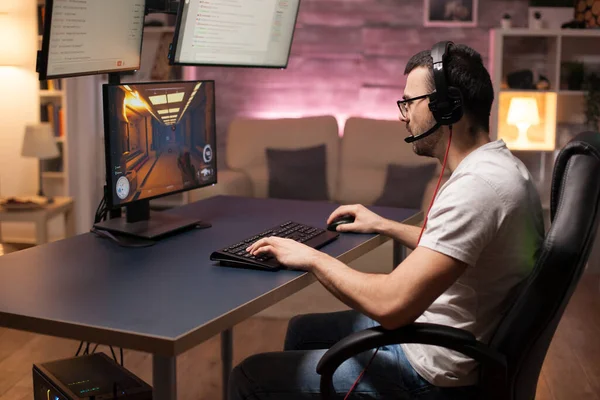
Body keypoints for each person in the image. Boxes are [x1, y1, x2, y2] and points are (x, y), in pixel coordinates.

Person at [228, 43, 545, 399]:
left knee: (249, 376)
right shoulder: (500, 167)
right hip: (446, 334)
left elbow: (391, 307)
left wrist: (310, 256)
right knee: (303, 331)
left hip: (429, 368)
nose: (402, 114)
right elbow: (458, 248)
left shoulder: (478, 188)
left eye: (409, 102)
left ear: (446, 106)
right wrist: (385, 225)